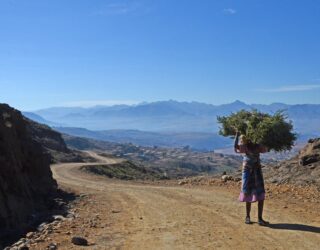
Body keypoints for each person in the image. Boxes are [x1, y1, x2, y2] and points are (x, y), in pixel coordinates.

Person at [234, 131, 269, 226]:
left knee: (260, 193)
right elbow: (236, 148)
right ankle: (247, 217)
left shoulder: (258, 146)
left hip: (257, 170)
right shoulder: (245, 146)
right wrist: (236, 135)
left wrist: (266, 138)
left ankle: (260, 218)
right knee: (247, 193)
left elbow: (266, 149)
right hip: (247, 171)